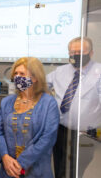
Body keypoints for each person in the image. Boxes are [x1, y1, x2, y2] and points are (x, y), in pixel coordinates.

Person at [0, 57, 59, 178]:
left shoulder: (48, 103)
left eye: (22, 74)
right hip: (8, 169)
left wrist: (20, 163)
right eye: (16, 73)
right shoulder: (6, 102)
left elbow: (48, 138)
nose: (17, 77)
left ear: (35, 78)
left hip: (37, 170)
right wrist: (4, 157)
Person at [47, 36, 101, 178]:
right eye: (72, 52)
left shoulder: (99, 72)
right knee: (59, 167)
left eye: (80, 51)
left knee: (74, 171)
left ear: (91, 53)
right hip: (60, 130)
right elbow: (41, 84)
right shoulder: (60, 71)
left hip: (84, 134)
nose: (75, 55)